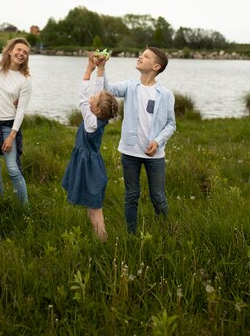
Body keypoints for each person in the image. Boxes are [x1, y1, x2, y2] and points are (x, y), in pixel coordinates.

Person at [101, 47, 176, 233]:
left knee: (158, 196)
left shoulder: (165, 94)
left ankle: (164, 231)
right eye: (141, 54)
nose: (140, 57)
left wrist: (158, 141)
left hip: (155, 155)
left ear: (156, 66)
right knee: (131, 195)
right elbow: (107, 90)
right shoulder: (130, 86)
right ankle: (131, 234)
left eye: (146, 56)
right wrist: (101, 68)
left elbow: (171, 124)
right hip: (130, 152)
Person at [62, 54, 119, 241]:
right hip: (90, 163)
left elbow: (82, 96)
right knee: (92, 205)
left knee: (95, 209)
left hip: (88, 167)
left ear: (94, 110)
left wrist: (88, 69)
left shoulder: (91, 123)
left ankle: (102, 241)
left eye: (93, 99)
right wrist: (100, 69)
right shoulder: (99, 116)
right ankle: (97, 237)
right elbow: (97, 91)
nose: (91, 97)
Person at [0, 37, 32, 205]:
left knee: (13, 170)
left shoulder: (25, 79)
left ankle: (25, 209)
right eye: (18, 50)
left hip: (7, 127)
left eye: (25, 52)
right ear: (10, 51)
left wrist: (11, 136)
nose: (21, 54)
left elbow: (22, 110)